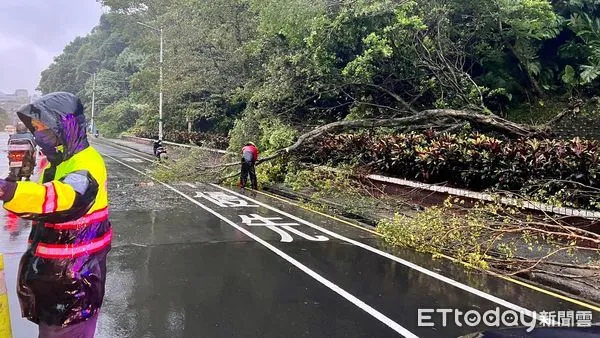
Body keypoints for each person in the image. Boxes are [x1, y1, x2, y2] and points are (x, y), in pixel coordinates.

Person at [0, 92, 111, 337]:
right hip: (58, 285)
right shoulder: (59, 163)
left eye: (43, 127)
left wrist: (8, 191)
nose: (38, 134)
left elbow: (61, 198)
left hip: (75, 289)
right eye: (35, 127)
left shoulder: (86, 163)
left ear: (64, 126)